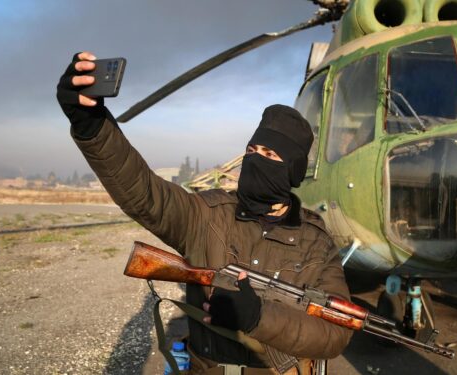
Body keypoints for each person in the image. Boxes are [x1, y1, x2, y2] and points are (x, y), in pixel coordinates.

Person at [56, 52, 352, 374]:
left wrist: (259, 318)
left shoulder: (315, 242)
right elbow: (144, 193)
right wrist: (91, 126)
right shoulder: (208, 214)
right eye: (252, 151)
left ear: (292, 172)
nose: (255, 160)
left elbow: (334, 335)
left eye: (269, 154)